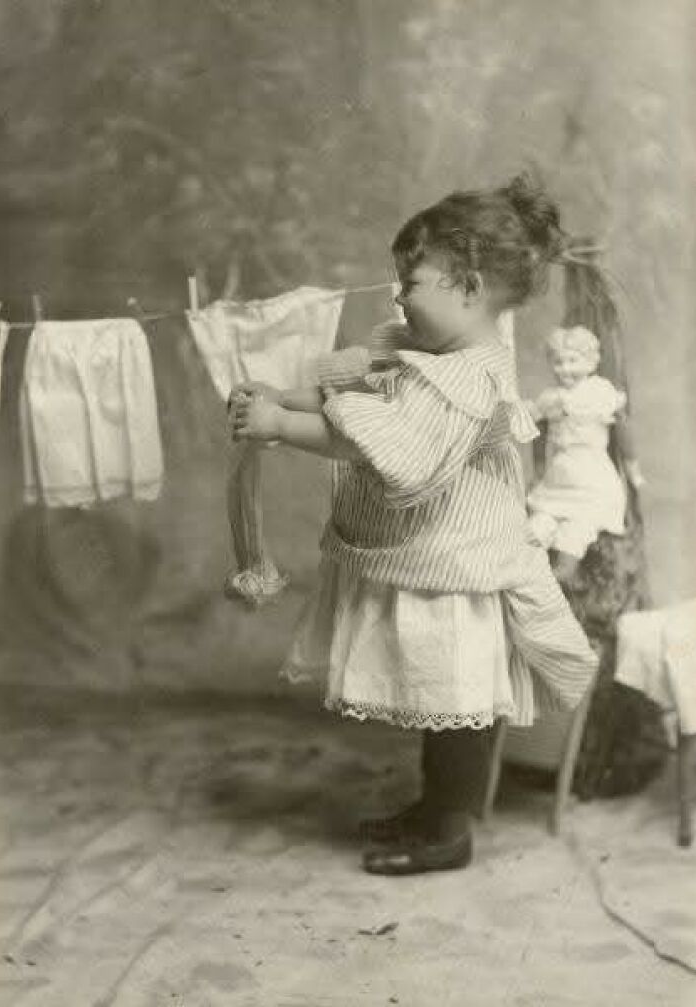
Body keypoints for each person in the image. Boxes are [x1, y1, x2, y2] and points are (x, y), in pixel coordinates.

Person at [230, 174, 598, 876]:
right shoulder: (423, 351)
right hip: (429, 550)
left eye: (412, 280)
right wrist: (283, 395)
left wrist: (279, 425)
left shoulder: (466, 378)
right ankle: (433, 808)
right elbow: (357, 388)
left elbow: (375, 441)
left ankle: (449, 827)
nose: (398, 295)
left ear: (467, 286)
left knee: (453, 696)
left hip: (458, 564)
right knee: (437, 700)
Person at [526, 324, 645, 584]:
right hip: (558, 479)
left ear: (591, 362)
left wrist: (633, 468)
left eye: (573, 361)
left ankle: (560, 578)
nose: (565, 369)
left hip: (592, 480)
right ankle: (531, 576)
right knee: (537, 526)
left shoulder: (599, 392)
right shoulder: (549, 398)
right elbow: (539, 433)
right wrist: (537, 469)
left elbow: (622, 431)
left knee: (575, 532)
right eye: (558, 362)